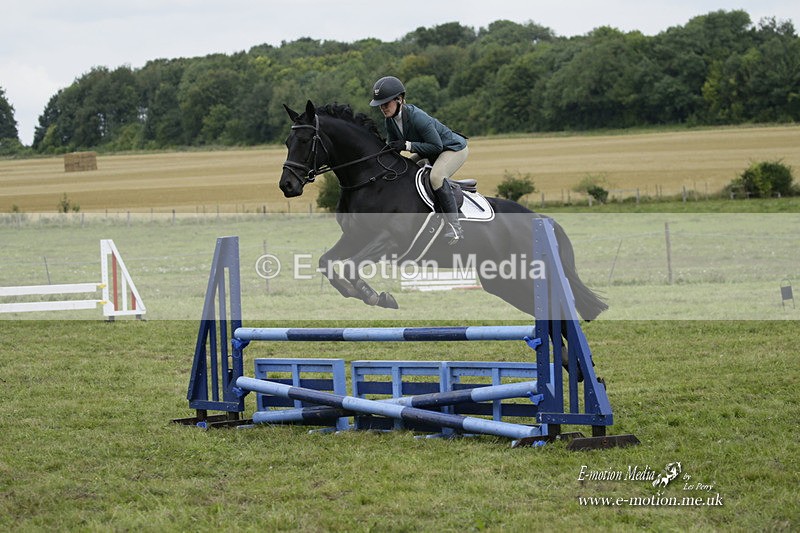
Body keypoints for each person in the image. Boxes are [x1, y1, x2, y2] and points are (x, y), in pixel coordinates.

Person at [369, 76, 468, 244]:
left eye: (386, 104)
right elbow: (393, 148)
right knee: (404, 170)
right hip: (430, 151)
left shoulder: (417, 117)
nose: (383, 108)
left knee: (436, 176)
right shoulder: (390, 121)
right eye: (380, 105)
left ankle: (455, 227)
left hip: (452, 149)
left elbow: (436, 146)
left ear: (399, 99)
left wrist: (407, 146)